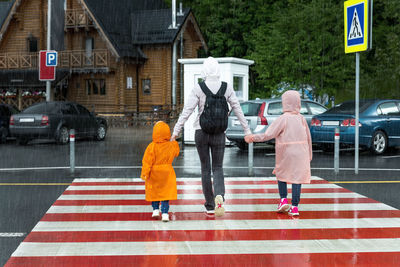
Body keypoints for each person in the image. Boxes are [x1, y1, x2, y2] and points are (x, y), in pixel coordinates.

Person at [171, 56, 252, 217]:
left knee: (205, 169)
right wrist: (247, 130)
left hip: (201, 132)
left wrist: (176, 131)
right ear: (217, 70)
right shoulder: (226, 88)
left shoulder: (198, 88)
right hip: (219, 134)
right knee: (218, 167)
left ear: (204, 71)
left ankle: (209, 205)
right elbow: (237, 109)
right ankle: (219, 195)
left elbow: (186, 111)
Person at [245, 90, 312, 216]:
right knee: (297, 179)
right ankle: (295, 207)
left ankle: (283, 200)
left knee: (282, 174)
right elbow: (308, 138)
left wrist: (253, 137)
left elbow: (268, 134)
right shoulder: (302, 119)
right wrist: (309, 155)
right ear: (298, 103)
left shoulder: (283, 119)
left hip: (286, 152)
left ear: (285, 103)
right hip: (301, 152)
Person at [141, 121, 180, 222]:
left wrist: (145, 173)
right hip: (167, 173)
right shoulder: (170, 145)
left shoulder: (151, 146)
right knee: (165, 194)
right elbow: (176, 152)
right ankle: (165, 213)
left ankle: (155, 210)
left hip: (154, 173)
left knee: (155, 192)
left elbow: (147, 161)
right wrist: (174, 141)